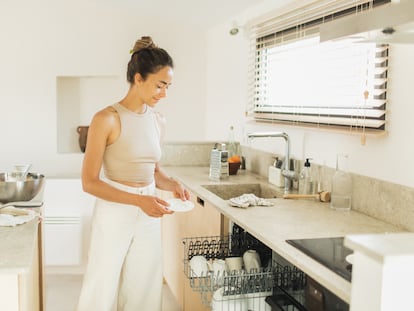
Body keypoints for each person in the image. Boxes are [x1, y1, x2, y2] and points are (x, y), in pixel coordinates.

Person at [76, 36, 190, 311]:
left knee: (144, 287)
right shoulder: (106, 118)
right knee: (101, 286)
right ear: (138, 78)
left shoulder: (158, 120)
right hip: (115, 210)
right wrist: (138, 201)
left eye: (168, 86)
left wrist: (171, 183)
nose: (164, 93)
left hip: (150, 208)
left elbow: (154, 171)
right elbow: (89, 183)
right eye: (160, 85)